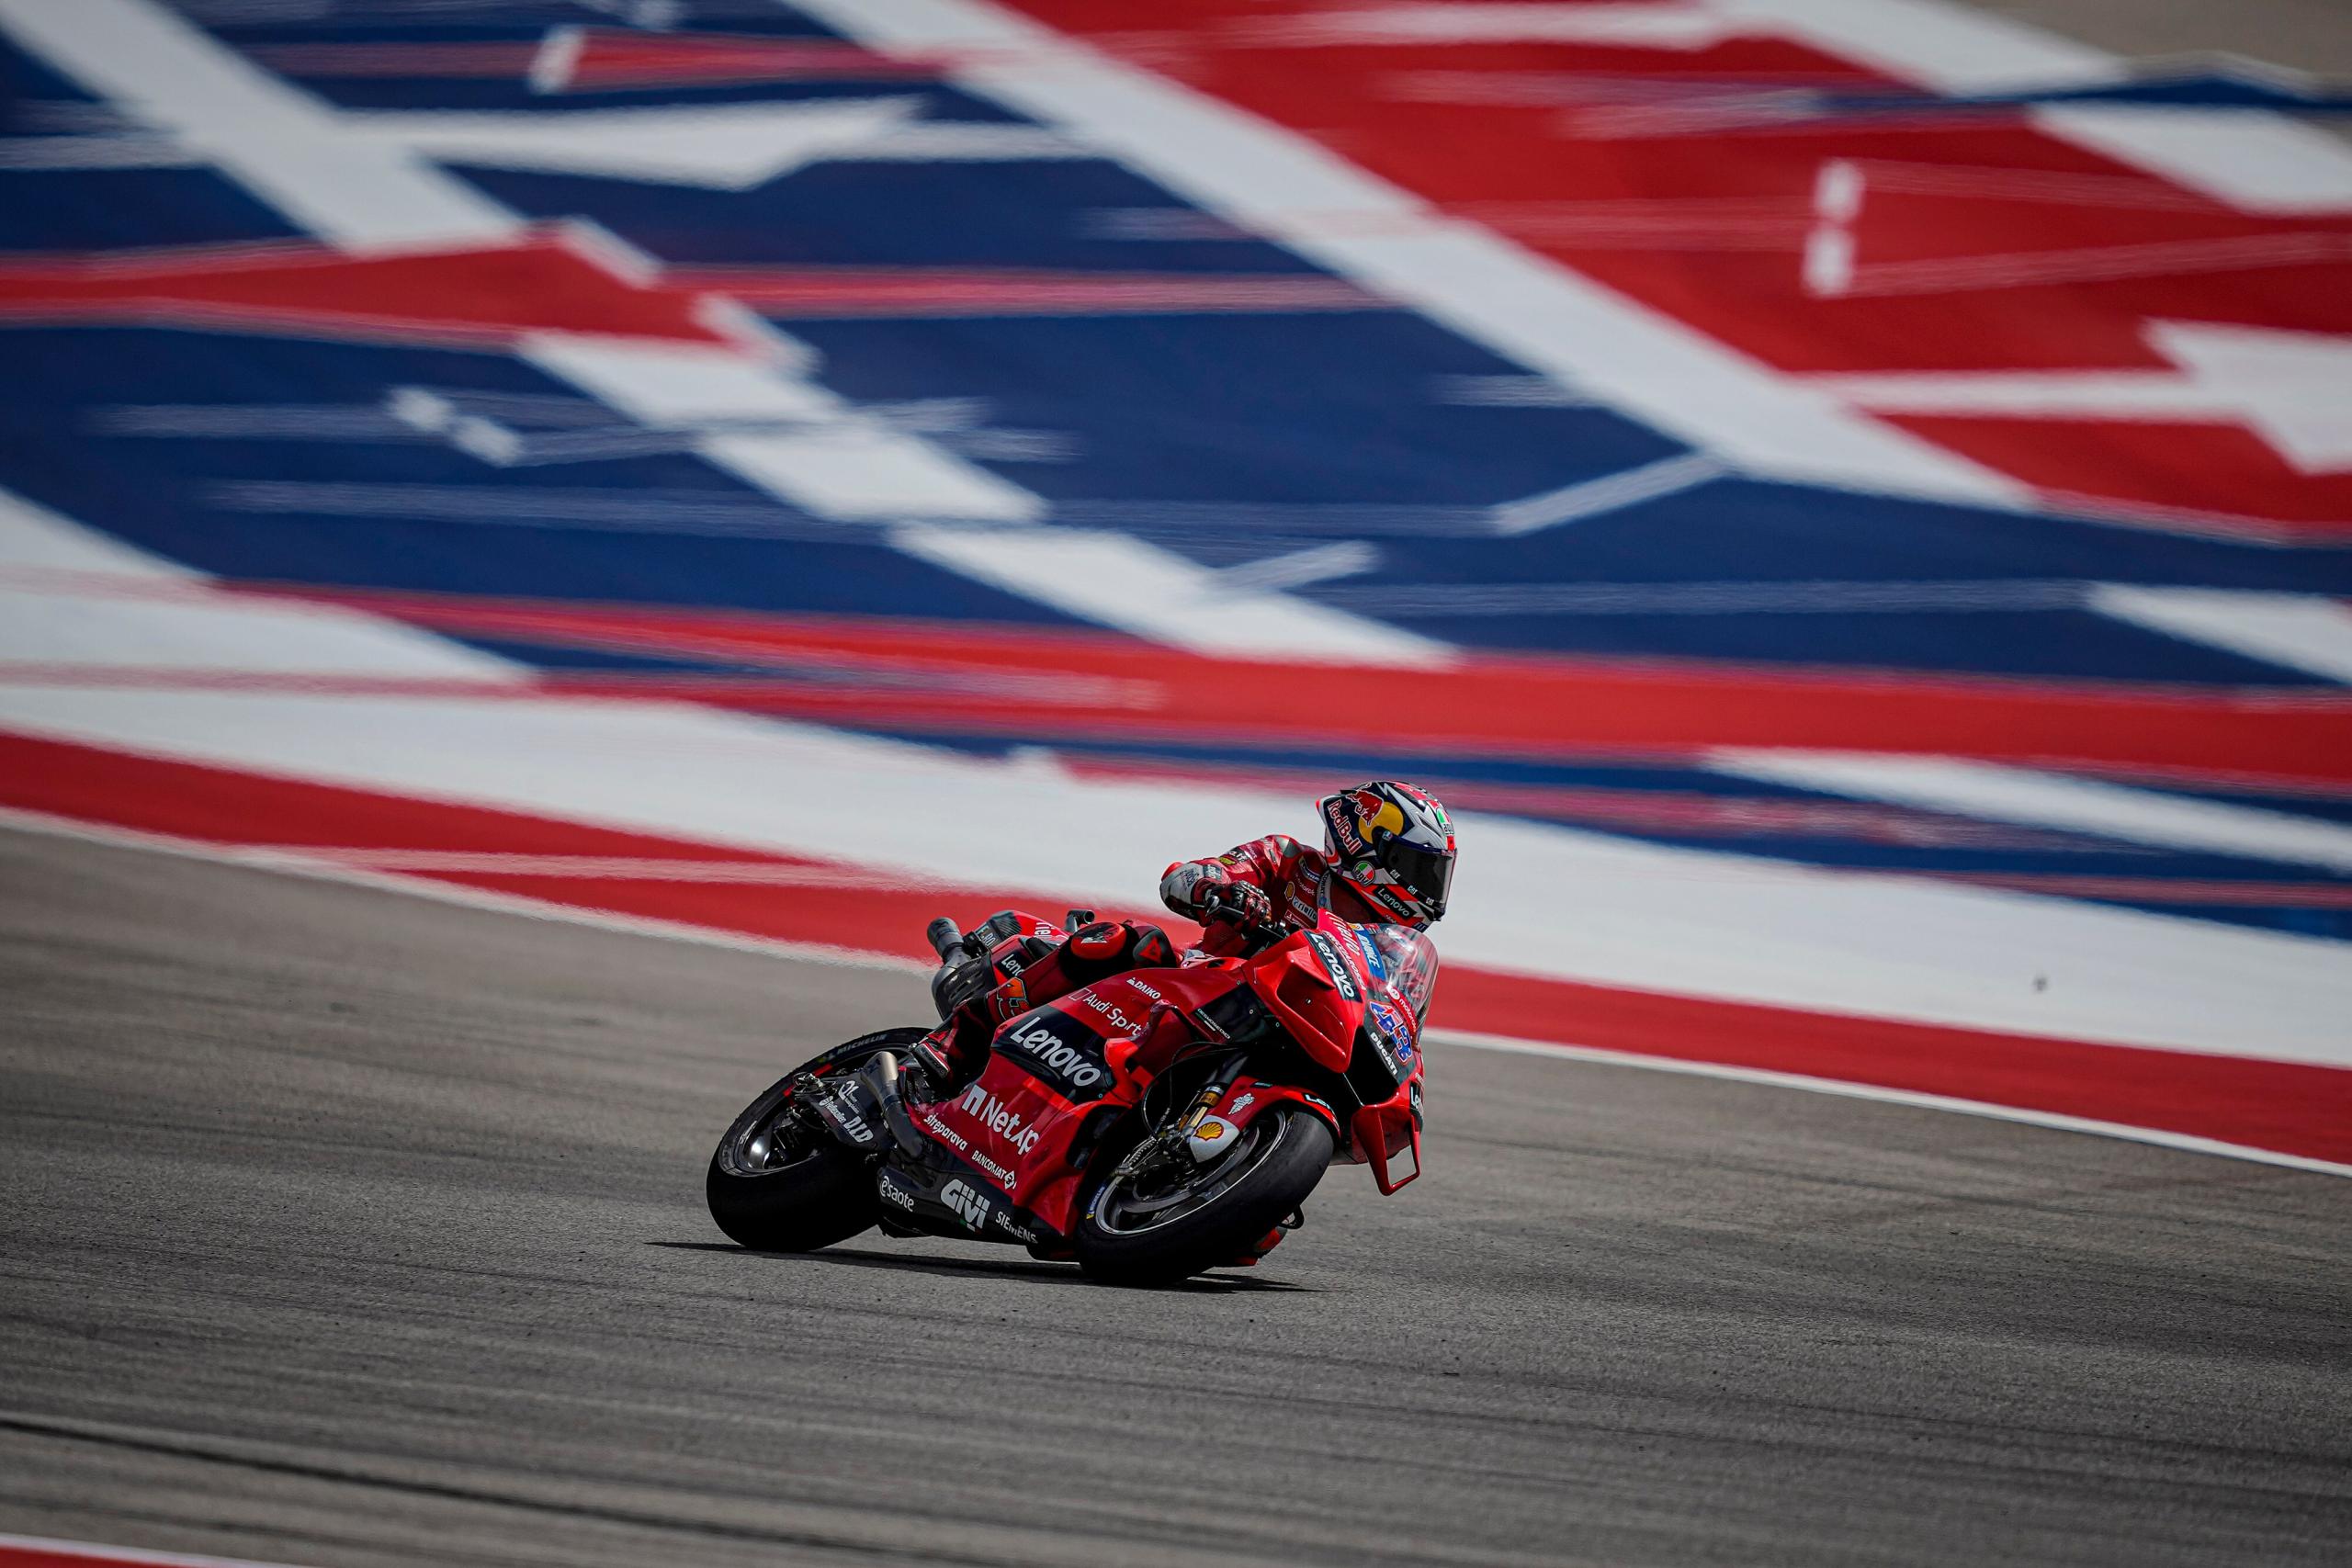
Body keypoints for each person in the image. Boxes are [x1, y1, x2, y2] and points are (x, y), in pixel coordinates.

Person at [928, 782, 1455, 1065]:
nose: (1428, 889)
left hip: (1285, 1028)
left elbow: (1391, 1011)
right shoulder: (1288, 861)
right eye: (1420, 869)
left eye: (1437, 875)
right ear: (1367, 847)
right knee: (1122, 943)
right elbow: (1187, 876)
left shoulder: (1391, 945)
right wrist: (1221, 889)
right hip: (1200, 982)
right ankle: (958, 1042)